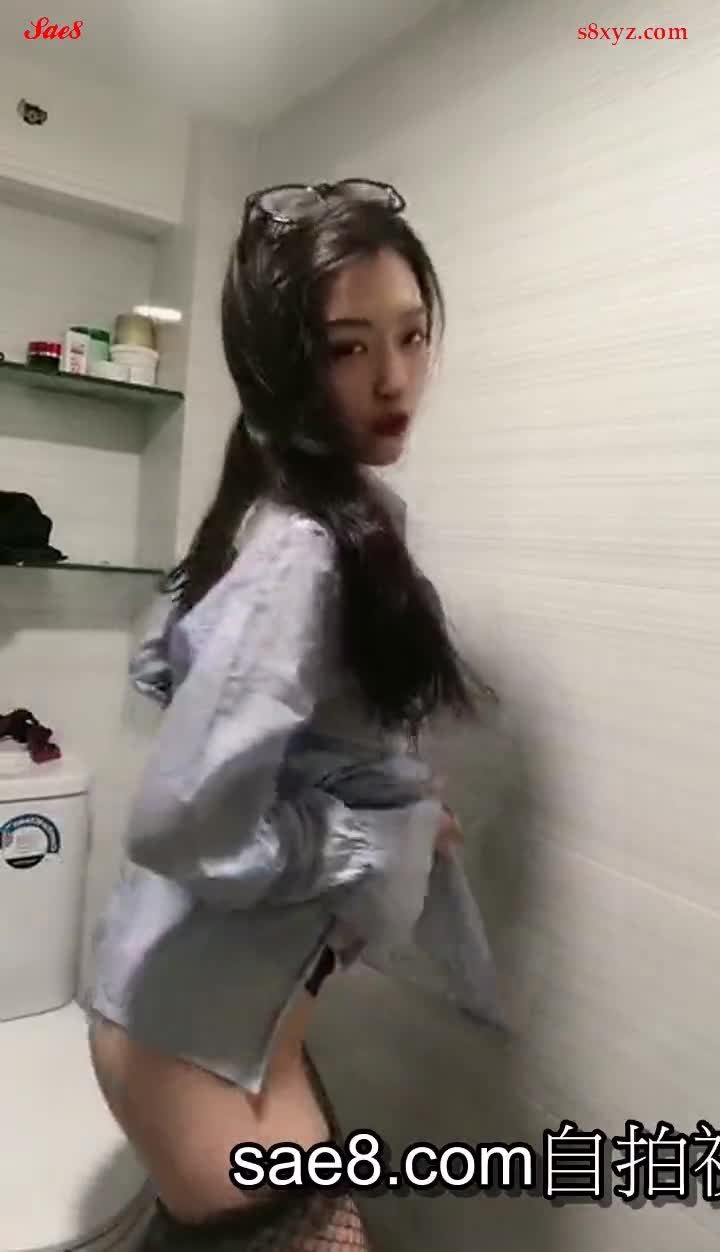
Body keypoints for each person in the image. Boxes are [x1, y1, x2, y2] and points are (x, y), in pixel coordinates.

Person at [87, 178, 503, 1250]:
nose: (395, 379)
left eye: (412, 336)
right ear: (286, 364)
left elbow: (179, 675)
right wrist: (370, 835)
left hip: (184, 1007)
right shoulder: (307, 548)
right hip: (198, 1051)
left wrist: (393, 807)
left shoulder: (274, 504)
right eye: (348, 348)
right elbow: (181, 824)